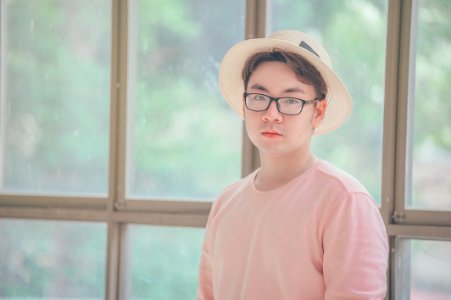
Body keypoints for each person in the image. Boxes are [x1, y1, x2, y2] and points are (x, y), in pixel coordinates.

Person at [197, 30, 388, 300]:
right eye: (259, 97)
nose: (271, 114)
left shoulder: (345, 201)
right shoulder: (226, 202)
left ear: (318, 111)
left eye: (290, 100)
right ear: (244, 103)